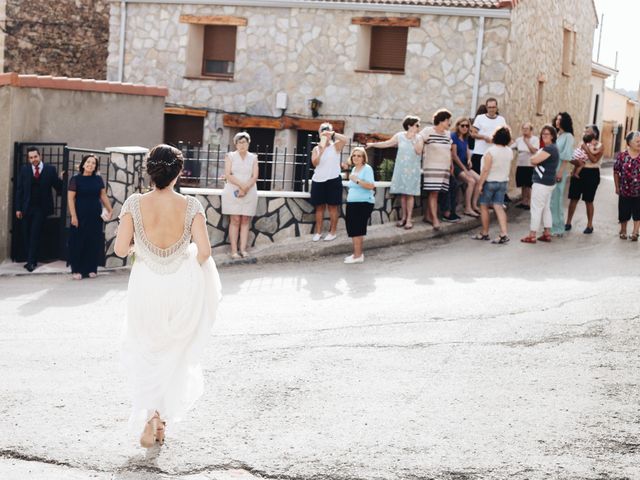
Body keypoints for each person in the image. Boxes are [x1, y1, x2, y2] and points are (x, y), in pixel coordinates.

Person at [114, 144, 221, 448]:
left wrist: (141, 250)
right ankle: (159, 417)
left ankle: (152, 417)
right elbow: (204, 252)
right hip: (180, 284)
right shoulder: (191, 206)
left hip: (145, 284)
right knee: (173, 352)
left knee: (147, 350)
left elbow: (121, 250)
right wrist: (187, 267)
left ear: (150, 171)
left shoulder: (134, 203)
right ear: (178, 172)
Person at [366, 115, 423, 229]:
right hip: (401, 169)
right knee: (402, 194)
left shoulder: (419, 138)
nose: (419, 127)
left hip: (412, 170)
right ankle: (403, 218)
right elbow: (387, 143)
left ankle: (409, 219)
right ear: (409, 126)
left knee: (410, 194)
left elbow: (418, 151)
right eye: (417, 125)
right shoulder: (399, 136)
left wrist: (413, 139)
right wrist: (373, 144)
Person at [15, 147, 64, 272]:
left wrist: (62, 179)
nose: (33, 160)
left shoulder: (50, 169)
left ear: (40, 156)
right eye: (31, 158)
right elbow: (19, 190)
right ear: (28, 158)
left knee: (34, 234)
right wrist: (18, 208)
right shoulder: (25, 170)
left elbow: (57, 186)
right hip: (26, 208)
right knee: (26, 235)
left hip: (41, 208)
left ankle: (31, 263)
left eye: (35, 157)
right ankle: (32, 259)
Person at [67, 154, 113, 279]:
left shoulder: (98, 179)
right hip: (80, 214)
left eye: (93, 163)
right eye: (88, 162)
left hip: (95, 215)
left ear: (96, 167)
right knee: (78, 242)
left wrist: (110, 209)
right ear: (83, 164)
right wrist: (73, 216)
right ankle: (76, 270)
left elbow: (103, 195)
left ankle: (91, 269)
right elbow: (70, 199)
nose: (90, 165)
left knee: (93, 241)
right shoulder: (75, 179)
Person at [472, 126, 513, 244]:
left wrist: (480, 184)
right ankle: (504, 233)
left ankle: (484, 233)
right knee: (498, 206)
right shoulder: (509, 151)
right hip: (503, 182)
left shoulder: (491, 151)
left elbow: (486, 170)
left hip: (490, 182)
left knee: (484, 206)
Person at [419, 109, 458, 230]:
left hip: (444, 168)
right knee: (434, 193)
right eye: (448, 121)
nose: (449, 123)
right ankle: (435, 219)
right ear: (441, 120)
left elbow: (449, 150)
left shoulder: (447, 134)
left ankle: (427, 216)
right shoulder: (427, 131)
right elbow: (419, 142)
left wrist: (451, 164)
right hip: (432, 167)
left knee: (436, 193)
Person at [221, 132, 259, 259]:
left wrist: (245, 188)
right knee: (235, 219)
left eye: (245, 142)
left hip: (249, 190)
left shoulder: (253, 158)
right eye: (240, 142)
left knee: (245, 220)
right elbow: (228, 174)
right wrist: (242, 187)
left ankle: (243, 249)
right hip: (233, 190)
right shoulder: (230, 156)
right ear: (235, 144)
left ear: (249, 143)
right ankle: (234, 251)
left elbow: (255, 176)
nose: (242, 145)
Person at [520, 125, 560, 243]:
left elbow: (533, 160)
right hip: (548, 183)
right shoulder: (551, 148)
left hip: (542, 183)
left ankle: (532, 235)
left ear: (552, 136)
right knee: (546, 208)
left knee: (536, 209)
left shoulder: (549, 148)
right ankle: (547, 233)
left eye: (547, 134)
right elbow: (536, 158)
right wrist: (536, 156)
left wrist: (535, 157)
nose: (544, 136)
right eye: (543, 134)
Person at [310, 123, 348, 242]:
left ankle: (333, 232)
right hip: (318, 180)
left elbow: (346, 139)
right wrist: (321, 150)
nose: (325, 132)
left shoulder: (336, 146)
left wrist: (333, 134)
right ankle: (318, 232)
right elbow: (314, 163)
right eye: (323, 130)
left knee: (332, 207)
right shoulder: (316, 149)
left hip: (333, 180)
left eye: (327, 130)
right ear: (319, 133)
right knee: (319, 208)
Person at [565, 125, 604, 234]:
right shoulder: (580, 143)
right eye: (585, 131)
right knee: (573, 198)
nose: (585, 133)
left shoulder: (600, 146)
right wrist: (574, 164)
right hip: (579, 171)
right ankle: (568, 222)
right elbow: (575, 158)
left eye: (588, 131)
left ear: (594, 134)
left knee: (589, 200)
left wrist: (586, 149)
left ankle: (589, 225)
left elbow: (594, 160)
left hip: (592, 173)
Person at [344, 147, 376, 264]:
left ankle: (358, 256)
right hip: (353, 203)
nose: (356, 157)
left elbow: (371, 186)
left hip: (363, 203)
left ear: (363, 158)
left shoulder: (367, 169)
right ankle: (357, 254)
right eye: (354, 155)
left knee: (357, 229)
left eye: (359, 156)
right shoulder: (354, 169)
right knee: (353, 229)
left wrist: (356, 180)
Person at [451, 117, 481, 217]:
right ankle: (467, 208)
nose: (465, 128)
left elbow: (467, 150)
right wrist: (464, 169)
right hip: (456, 166)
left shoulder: (465, 137)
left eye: (467, 126)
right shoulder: (454, 136)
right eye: (462, 125)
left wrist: (469, 159)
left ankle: (474, 205)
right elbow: (454, 155)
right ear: (458, 126)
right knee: (471, 181)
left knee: (479, 180)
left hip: (465, 165)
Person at [550, 112, 574, 236]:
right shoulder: (556, 135)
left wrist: (560, 172)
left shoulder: (568, 136)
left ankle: (558, 227)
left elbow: (566, 156)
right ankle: (549, 226)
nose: (557, 121)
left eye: (560, 119)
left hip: (560, 169)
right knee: (550, 199)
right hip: (551, 169)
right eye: (557, 119)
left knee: (557, 199)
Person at [613, 131, 640, 241]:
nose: (639, 143)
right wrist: (616, 186)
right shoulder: (622, 155)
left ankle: (635, 232)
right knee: (623, 210)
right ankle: (623, 230)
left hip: (639, 191)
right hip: (624, 189)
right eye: (637, 141)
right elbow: (616, 171)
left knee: (638, 211)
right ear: (629, 142)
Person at [470, 98, 507, 175]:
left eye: (493, 107)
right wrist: (484, 137)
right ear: (486, 108)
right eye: (489, 107)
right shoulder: (480, 118)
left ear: (496, 108)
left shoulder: (501, 120)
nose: (491, 109)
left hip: (495, 154)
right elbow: (473, 134)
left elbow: (505, 136)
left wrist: (496, 140)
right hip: (480, 153)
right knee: (478, 177)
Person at [512, 122, 540, 210]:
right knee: (523, 184)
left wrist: (527, 142)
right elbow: (511, 147)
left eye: (526, 129)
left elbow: (534, 151)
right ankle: (524, 201)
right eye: (523, 129)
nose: (524, 130)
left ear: (531, 130)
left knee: (529, 185)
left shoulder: (535, 139)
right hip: (521, 164)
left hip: (530, 165)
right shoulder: (519, 140)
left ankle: (530, 203)